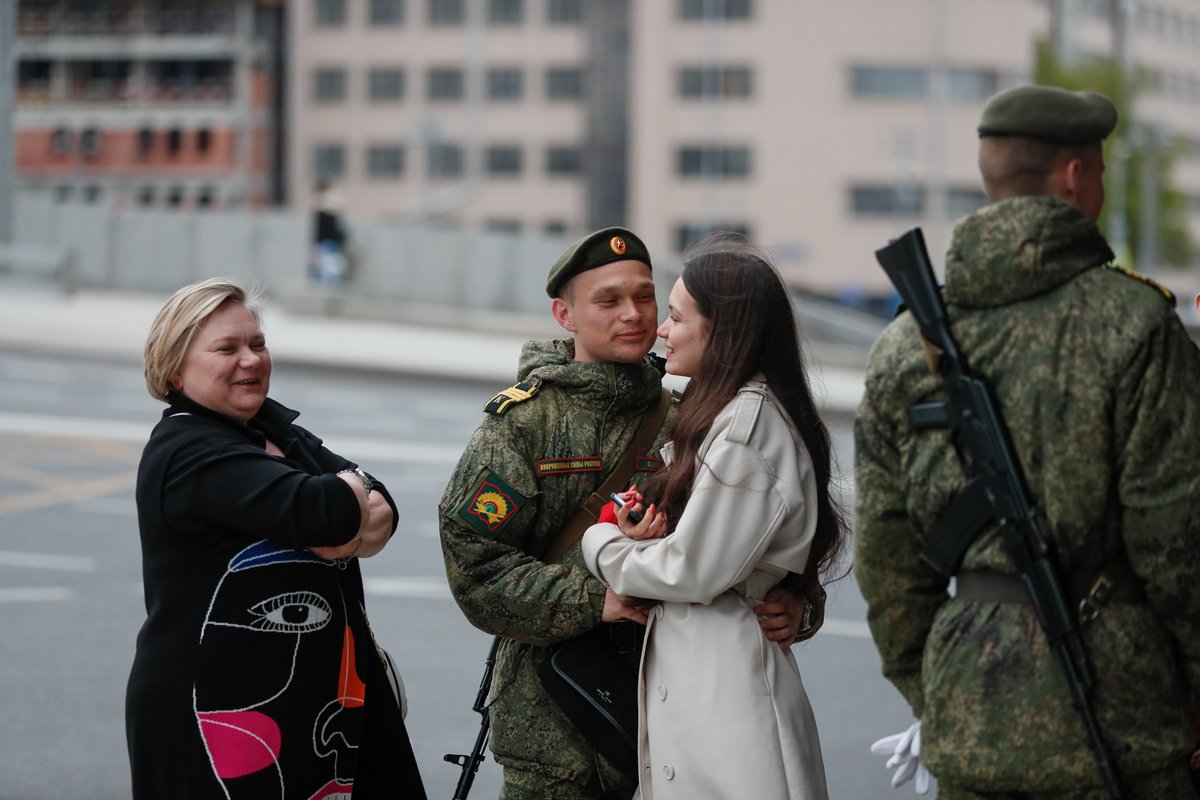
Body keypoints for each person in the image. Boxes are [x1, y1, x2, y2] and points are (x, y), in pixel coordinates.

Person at [855, 84, 1200, 799]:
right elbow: (1179, 546)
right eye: (1099, 170)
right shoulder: (1134, 325)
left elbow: (886, 559)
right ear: (1076, 175)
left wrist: (938, 690)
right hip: (1120, 724)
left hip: (967, 716)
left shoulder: (901, 346)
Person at [438, 227, 816, 799]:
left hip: (686, 717)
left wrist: (797, 600)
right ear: (565, 315)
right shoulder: (523, 423)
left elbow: (759, 537)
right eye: (608, 300)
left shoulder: (697, 414)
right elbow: (476, 567)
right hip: (559, 723)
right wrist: (598, 599)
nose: (635, 315)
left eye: (646, 297)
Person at [126, 278, 426, 799]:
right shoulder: (189, 451)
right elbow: (328, 509)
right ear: (175, 368)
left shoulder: (269, 426)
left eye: (257, 344)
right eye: (227, 348)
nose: (251, 360)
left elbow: (383, 508)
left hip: (327, 700)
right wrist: (347, 500)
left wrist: (348, 509)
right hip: (226, 711)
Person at [579, 237, 844, 799]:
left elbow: (691, 571)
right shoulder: (723, 412)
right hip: (709, 680)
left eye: (675, 316)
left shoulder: (748, 430)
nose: (660, 330)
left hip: (726, 692)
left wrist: (602, 544)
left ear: (723, 330)